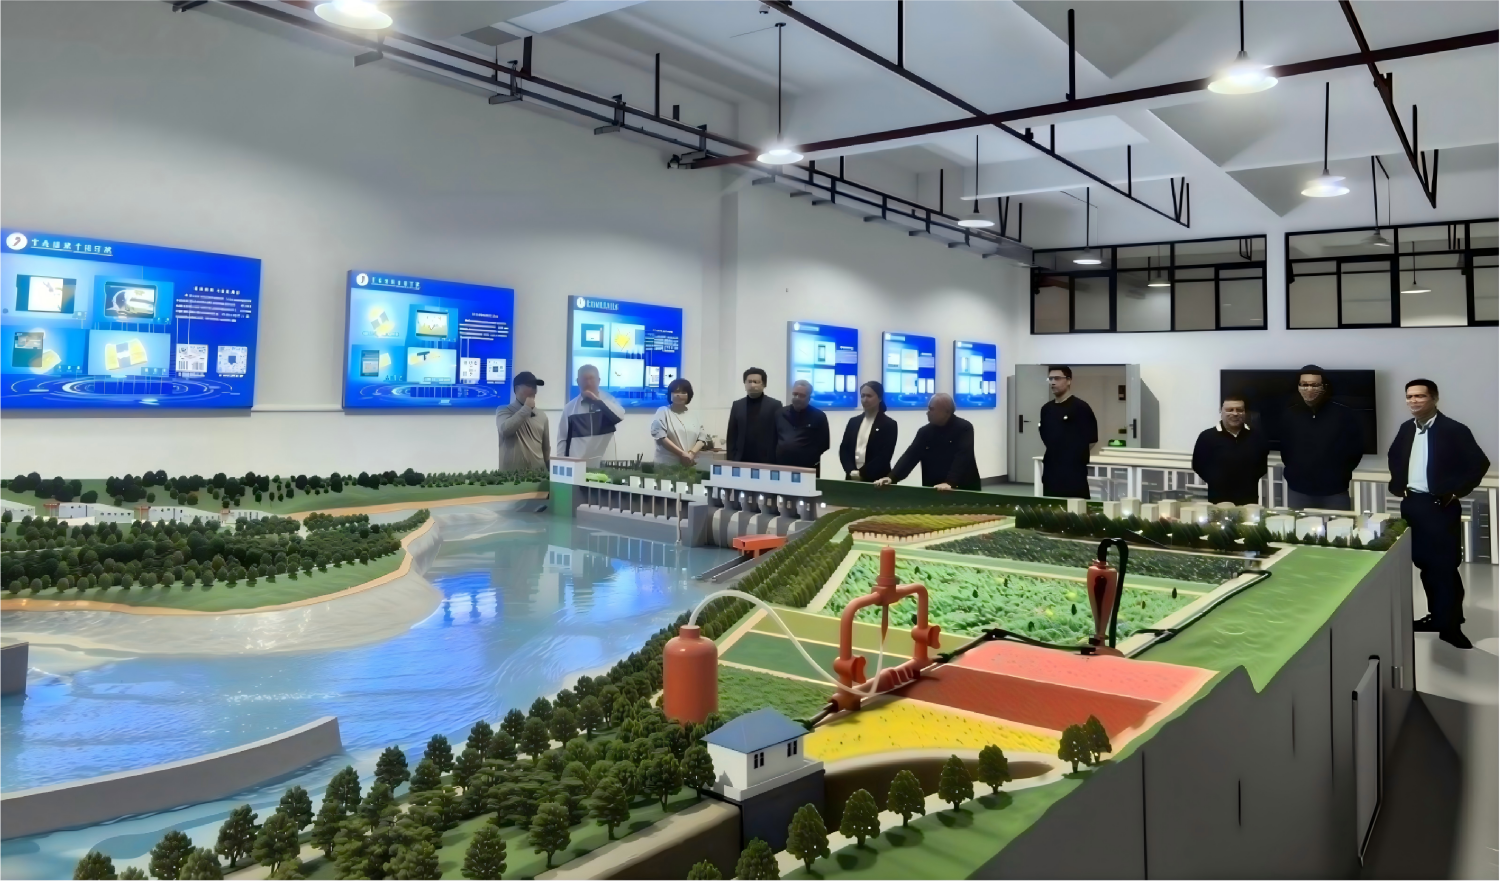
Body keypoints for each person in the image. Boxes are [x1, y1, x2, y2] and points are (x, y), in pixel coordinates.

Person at [1386, 379, 1490, 649]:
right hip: (1413, 505)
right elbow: (1394, 457)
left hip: (1440, 506)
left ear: (1434, 398)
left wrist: (1455, 491)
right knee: (1424, 565)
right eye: (1410, 396)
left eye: (1420, 396)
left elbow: (1479, 463)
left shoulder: (1453, 429)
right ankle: (1437, 616)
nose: (1413, 401)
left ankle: (1451, 626)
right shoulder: (1406, 429)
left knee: (1444, 567)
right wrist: (1398, 486)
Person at [1281, 364, 1365, 510]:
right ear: (1298, 386)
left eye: (1314, 385)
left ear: (1324, 387)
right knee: (1298, 525)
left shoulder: (1343, 414)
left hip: (1335, 491)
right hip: (1298, 490)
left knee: (1339, 525)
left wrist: (1340, 474)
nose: (1309, 389)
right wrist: (1295, 472)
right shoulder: (1290, 415)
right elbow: (1285, 450)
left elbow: (1356, 449)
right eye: (1304, 384)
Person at [874, 393, 980, 491]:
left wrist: (950, 482)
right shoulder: (925, 432)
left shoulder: (964, 428)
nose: (927, 412)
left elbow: (962, 457)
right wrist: (892, 477)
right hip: (933, 487)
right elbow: (911, 456)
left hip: (963, 488)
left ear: (947, 412)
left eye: (931, 409)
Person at [1191, 393, 1270, 505]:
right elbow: (1198, 465)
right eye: (1230, 410)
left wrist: (1248, 481)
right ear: (1221, 411)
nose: (1235, 413)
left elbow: (1262, 466)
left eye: (1239, 410)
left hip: (1249, 498)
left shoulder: (1257, 436)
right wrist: (1217, 482)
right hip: (1218, 499)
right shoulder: (1206, 437)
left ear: (1244, 412)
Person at [1038, 365, 1098, 499]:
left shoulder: (1081, 407)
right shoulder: (1046, 409)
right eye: (1050, 379)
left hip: (1074, 471)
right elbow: (1045, 435)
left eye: (1057, 378)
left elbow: (1091, 440)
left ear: (1069, 380)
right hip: (1051, 469)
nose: (1053, 382)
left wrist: (1072, 455)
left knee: (1076, 508)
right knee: (1052, 506)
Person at [556, 364, 625, 466]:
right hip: (577, 466)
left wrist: (597, 401)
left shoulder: (609, 401)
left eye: (592, 379)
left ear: (598, 381)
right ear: (578, 382)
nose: (588, 383)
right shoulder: (569, 409)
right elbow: (562, 439)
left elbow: (620, 416)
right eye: (584, 379)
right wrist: (561, 464)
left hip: (603, 466)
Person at [839, 381, 898, 482]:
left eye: (869, 396)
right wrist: (850, 470)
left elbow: (884, 456)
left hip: (877, 480)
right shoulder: (853, 421)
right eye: (863, 396)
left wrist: (861, 473)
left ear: (879, 398)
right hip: (852, 477)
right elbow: (844, 449)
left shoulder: (889, 424)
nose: (865, 399)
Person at [649, 377, 711, 468]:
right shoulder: (663, 411)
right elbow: (661, 437)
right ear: (670, 394)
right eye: (676, 392)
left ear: (689, 395)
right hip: (667, 465)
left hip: (689, 463)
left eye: (683, 392)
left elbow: (702, 438)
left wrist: (691, 454)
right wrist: (682, 454)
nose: (679, 395)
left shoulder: (694, 415)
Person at [726, 367, 782, 464]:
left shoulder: (775, 405)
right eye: (749, 381)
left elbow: (779, 434)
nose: (752, 385)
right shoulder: (737, 405)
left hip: (766, 460)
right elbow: (732, 434)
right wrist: (731, 459)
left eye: (756, 382)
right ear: (745, 384)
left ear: (764, 384)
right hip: (741, 458)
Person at [496, 371, 549, 472]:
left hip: (538, 475)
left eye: (535, 386)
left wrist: (548, 469)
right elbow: (505, 430)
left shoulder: (542, 416)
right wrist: (526, 408)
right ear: (516, 389)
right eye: (529, 385)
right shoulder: (504, 411)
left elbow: (546, 448)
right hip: (511, 476)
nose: (533, 390)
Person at [775, 379, 831, 472]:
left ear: (809, 398)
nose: (797, 398)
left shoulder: (819, 416)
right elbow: (773, 439)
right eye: (795, 394)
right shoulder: (780, 413)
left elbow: (824, 444)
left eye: (801, 395)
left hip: (808, 468)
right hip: (782, 467)